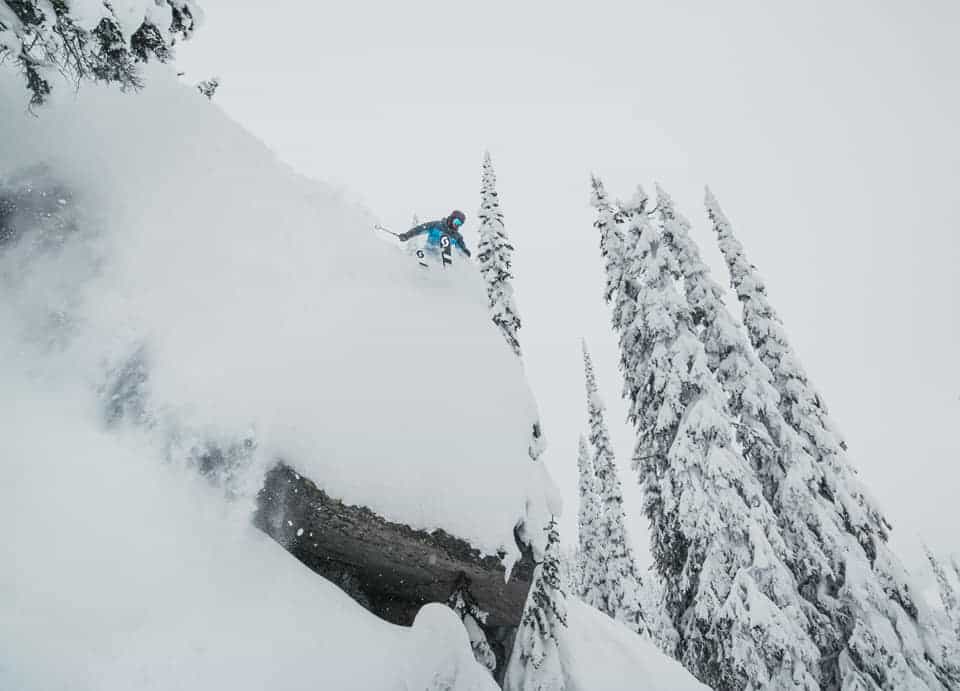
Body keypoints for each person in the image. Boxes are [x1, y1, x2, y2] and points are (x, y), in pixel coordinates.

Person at [397, 210, 471, 258]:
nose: (457, 225)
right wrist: (407, 235)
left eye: (460, 224)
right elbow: (419, 229)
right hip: (428, 252)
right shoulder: (437, 225)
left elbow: (461, 248)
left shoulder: (457, 236)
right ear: (452, 218)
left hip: (441, 259)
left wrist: (465, 252)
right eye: (456, 222)